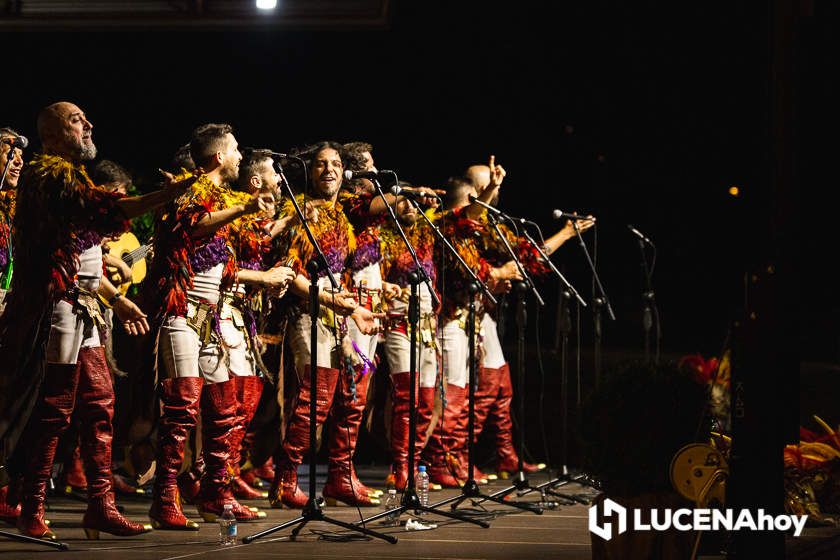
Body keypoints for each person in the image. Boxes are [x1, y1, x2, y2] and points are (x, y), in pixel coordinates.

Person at [0, 101, 191, 541]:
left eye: (85, 119)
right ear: (49, 135)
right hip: (57, 308)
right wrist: (171, 193)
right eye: (75, 120)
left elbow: (87, 257)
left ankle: (100, 505)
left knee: (101, 402)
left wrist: (115, 301)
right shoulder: (48, 174)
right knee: (54, 411)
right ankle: (32, 508)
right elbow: (113, 211)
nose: (88, 125)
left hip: (82, 306)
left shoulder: (71, 176)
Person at [147, 123, 274, 529]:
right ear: (219, 156)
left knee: (222, 411)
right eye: (235, 150)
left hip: (213, 320)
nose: (240, 155)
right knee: (182, 409)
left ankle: (216, 494)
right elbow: (193, 226)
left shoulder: (223, 199)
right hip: (182, 315)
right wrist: (244, 209)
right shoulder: (190, 191)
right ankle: (165, 499)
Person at [269, 141, 382, 508]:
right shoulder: (300, 213)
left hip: (336, 314)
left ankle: (339, 478)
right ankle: (286, 481)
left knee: (343, 397)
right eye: (321, 164)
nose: (329, 169)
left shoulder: (340, 219)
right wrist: (332, 301)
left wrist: (353, 311)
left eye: (335, 163)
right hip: (308, 312)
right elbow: (291, 274)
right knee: (313, 402)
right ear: (309, 171)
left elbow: (340, 277)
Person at [379, 194, 441, 490]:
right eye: (403, 201)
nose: (410, 207)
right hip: (398, 324)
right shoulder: (381, 239)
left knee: (426, 403)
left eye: (414, 202)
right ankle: (399, 466)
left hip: (427, 329)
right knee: (407, 398)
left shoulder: (425, 234)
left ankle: (414, 464)